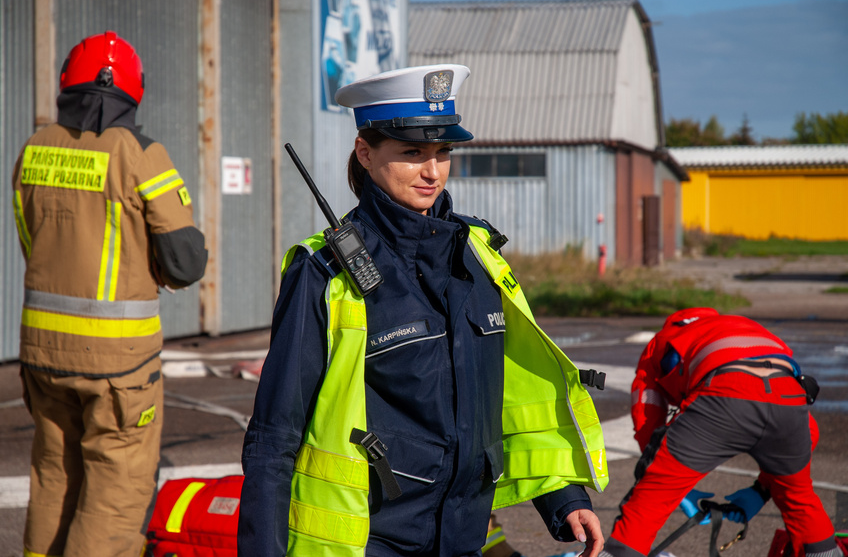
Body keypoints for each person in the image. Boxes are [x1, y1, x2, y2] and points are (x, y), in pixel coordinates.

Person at [238, 64, 608, 557]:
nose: (432, 171)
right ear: (365, 154)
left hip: (464, 535)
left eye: (443, 152)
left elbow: (510, 393)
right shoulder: (324, 274)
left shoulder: (479, 258)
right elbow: (273, 437)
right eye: (412, 153)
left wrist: (562, 497)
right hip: (370, 541)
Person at [12, 31, 208, 557]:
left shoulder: (34, 150)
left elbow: (32, 238)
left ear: (66, 84)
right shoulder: (141, 155)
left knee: (53, 476)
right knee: (114, 494)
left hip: (42, 355)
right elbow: (185, 262)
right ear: (133, 90)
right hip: (118, 364)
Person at [600, 308, 842, 557]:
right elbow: (808, 432)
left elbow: (647, 412)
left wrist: (668, 481)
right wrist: (761, 492)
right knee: (801, 501)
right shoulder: (742, 325)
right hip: (789, 396)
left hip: (725, 392)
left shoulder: (663, 340)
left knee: (647, 506)